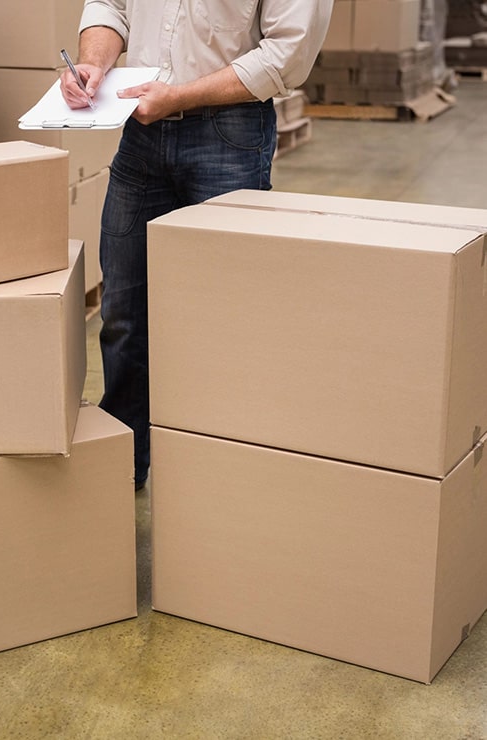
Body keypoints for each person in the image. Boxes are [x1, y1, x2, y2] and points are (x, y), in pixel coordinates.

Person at [61, 0, 333, 492]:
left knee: (224, 322)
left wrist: (180, 94)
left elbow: (288, 49)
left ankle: (218, 480)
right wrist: (93, 64)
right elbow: (110, 6)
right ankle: (123, 470)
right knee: (124, 311)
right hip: (140, 133)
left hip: (227, 136)